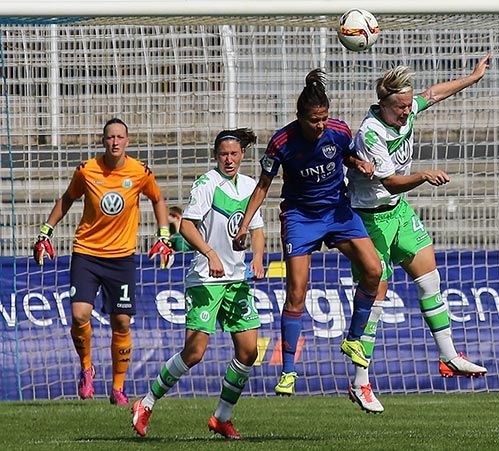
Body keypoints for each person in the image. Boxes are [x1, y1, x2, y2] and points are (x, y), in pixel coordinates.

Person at [345, 54, 492, 413]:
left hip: (398, 213)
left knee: (430, 279)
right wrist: (423, 175)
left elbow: (434, 93)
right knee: (373, 304)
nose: (406, 111)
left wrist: (472, 78)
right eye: (400, 107)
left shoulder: (407, 109)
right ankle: (360, 383)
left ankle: (449, 357)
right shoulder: (371, 132)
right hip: (369, 220)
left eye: (409, 105)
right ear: (384, 104)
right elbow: (391, 182)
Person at [233, 69, 383, 397]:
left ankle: (353, 339)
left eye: (324, 119)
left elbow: (346, 155)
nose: (320, 125)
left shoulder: (339, 131)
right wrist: (245, 223)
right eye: (314, 120)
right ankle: (288, 371)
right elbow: (262, 187)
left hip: (337, 212)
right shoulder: (282, 142)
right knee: (297, 291)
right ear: (300, 117)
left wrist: (358, 164)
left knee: (374, 270)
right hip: (301, 217)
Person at [131, 128, 265, 440]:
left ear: (241, 155)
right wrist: (210, 253)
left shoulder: (249, 186)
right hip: (207, 279)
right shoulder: (207, 184)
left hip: (237, 281)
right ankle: (146, 402)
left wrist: (258, 257)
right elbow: (188, 226)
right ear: (215, 156)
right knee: (194, 352)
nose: (229, 160)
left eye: (233, 154)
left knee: (248, 352)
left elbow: (257, 228)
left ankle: (222, 416)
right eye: (223, 155)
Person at [32, 117, 173, 406]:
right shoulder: (87, 170)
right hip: (87, 252)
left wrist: (163, 236)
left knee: (121, 321)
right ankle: (86, 368)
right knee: (79, 314)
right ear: (103, 140)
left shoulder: (140, 172)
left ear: (127, 141)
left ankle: (118, 388)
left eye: (120, 136)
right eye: (110, 137)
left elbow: (158, 199)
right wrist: (46, 231)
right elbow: (67, 198)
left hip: (121, 258)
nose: (115, 142)